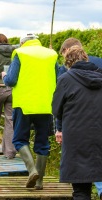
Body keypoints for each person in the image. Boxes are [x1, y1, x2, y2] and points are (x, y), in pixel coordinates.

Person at [2, 33, 58, 188]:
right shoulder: (52, 54)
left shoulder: (20, 53)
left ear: (22, 43)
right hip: (46, 105)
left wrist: (4, 76)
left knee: (19, 139)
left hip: (24, 104)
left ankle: (32, 170)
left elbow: (12, 80)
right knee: (42, 141)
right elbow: (58, 78)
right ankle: (39, 182)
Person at [52, 45, 102, 200]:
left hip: (76, 139)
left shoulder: (65, 80)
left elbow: (56, 110)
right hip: (99, 135)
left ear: (68, 63)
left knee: (80, 190)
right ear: (86, 58)